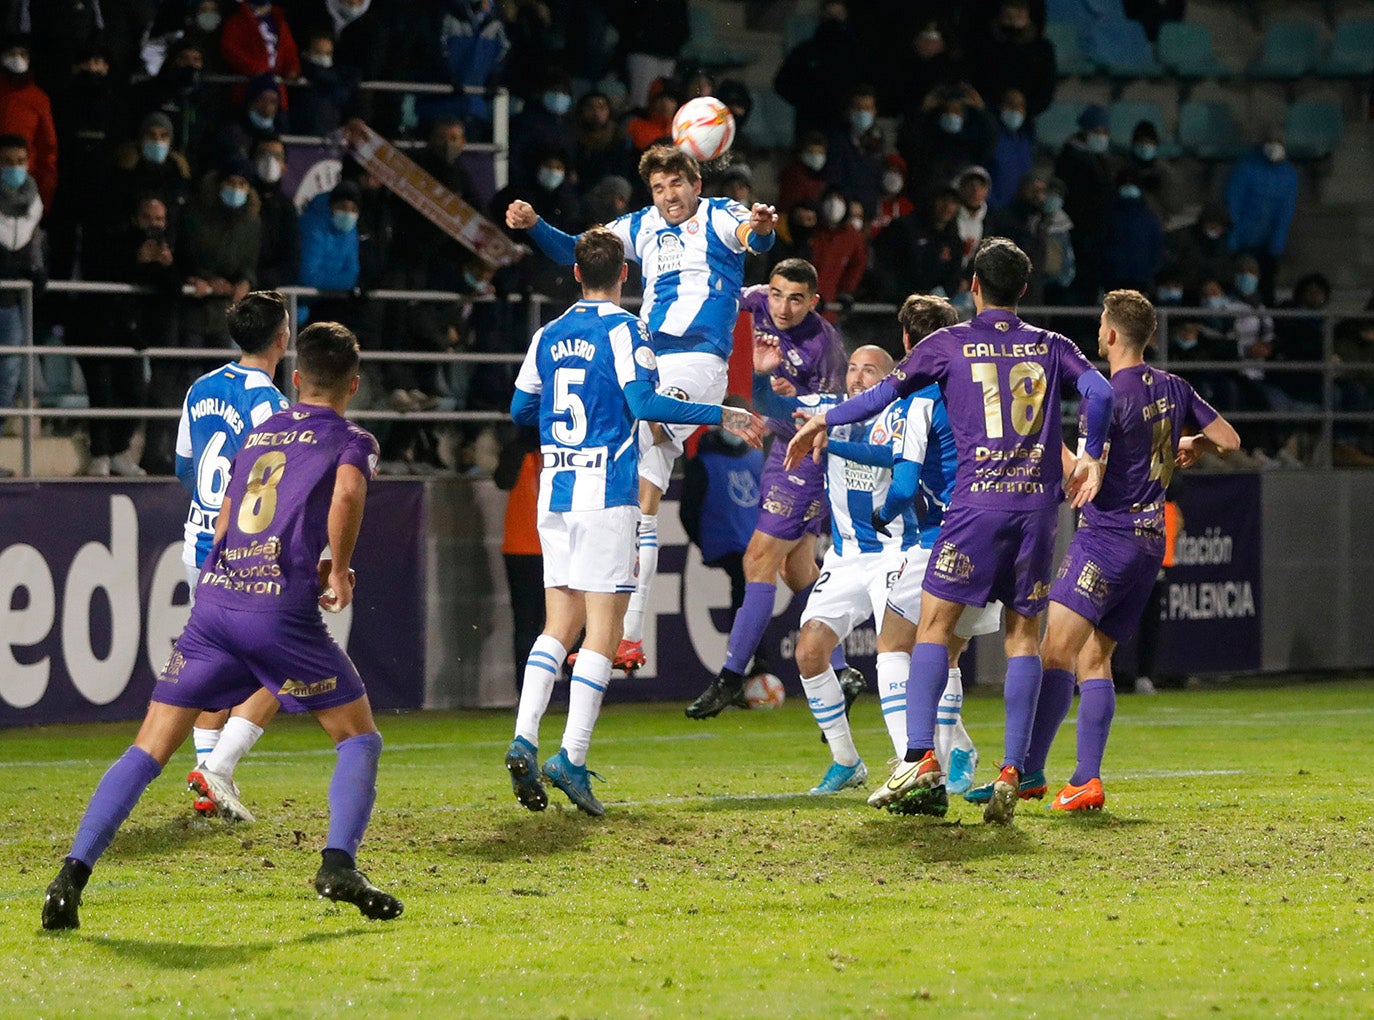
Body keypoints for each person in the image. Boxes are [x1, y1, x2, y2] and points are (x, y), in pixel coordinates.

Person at [42, 321, 401, 931]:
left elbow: (229, 512)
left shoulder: (261, 433)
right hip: (279, 613)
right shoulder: (352, 439)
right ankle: (338, 863)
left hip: (218, 598)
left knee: (149, 746)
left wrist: (235, 574)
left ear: (296, 378)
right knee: (359, 738)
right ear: (353, 383)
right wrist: (336, 569)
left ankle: (68, 877)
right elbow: (344, 495)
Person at [787, 237, 1114, 825]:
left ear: (973, 287)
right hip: (1036, 512)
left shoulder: (950, 343)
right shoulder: (1050, 346)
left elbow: (883, 393)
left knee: (932, 628)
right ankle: (1014, 768)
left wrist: (822, 420)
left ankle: (919, 759)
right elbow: (1100, 390)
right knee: (1022, 637)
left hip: (973, 509)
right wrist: (1090, 452)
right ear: (1023, 289)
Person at [503, 228, 764, 816]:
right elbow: (646, 406)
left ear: (575, 274)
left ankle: (523, 736)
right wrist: (718, 410)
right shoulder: (629, 330)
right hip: (607, 493)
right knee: (602, 627)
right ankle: (570, 755)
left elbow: (521, 407)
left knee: (557, 623)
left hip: (556, 491)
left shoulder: (547, 333)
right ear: (627, 275)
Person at [507, 143, 778, 672]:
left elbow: (755, 237)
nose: (669, 196)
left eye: (677, 184)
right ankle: (627, 638)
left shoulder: (721, 214)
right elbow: (577, 254)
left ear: (696, 184)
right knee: (640, 489)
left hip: (698, 363)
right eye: (659, 187)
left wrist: (763, 227)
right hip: (649, 360)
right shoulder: (641, 224)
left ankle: (627, 630)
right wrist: (536, 224)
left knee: (648, 438)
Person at [1017, 290, 1239, 812]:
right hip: (1148, 542)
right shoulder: (1175, 386)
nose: (1098, 330)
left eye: (1100, 323)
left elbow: (1083, 474)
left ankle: (1029, 772)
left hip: (1106, 537)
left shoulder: (1105, 396)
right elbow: (1229, 438)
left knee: (1056, 651)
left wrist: (1045, 439)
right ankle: (1085, 780)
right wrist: (1194, 443)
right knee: (1096, 658)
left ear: (1112, 334)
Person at [684, 259, 850, 720]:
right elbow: (714, 293)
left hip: (806, 455)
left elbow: (817, 418)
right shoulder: (757, 300)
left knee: (757, 560)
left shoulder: (825, 346)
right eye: (777, 294)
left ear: (814, 301)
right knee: (799, 572)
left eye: (796, 298)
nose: (782, 306)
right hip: (782, 450)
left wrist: (770, 379)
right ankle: (842, 669)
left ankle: (732, 676)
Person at [863, 295, 1002, 811]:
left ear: (906, 341)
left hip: (939, 538)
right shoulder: (978, 392)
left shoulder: (919, 397)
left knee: (895, 647)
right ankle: (944, 764)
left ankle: (914, 764)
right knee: (946, 656)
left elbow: (901, 483)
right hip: (993, 535)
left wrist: (882, 516)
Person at [174, 291, 293, 822]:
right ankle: (217, 769)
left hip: (197, 546)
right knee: (283, 666)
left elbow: (184, 465)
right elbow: (281, 487)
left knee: (219, 672)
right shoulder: (268, 402)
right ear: (281, 338)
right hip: (243, 556)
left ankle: (209, 784)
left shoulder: (199, 389)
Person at [1225, 127, 1298, 307]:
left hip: (1268, 245)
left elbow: (1285, 212)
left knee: (1266, 288)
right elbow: (1234, 202)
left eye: (1278, 143)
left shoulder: (1288, 174)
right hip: (1243, 241)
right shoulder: (1246, 168)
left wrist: (1277, 243)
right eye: (1270, 142)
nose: (1274, 147)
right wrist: (1232, 237)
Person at [0, 132, 42, 440]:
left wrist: (36, 270)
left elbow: (33, 252)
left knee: (7, 378)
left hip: (13, 304)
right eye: (6, 162)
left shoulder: (34, 203)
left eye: (19, 161)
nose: (14, 168)